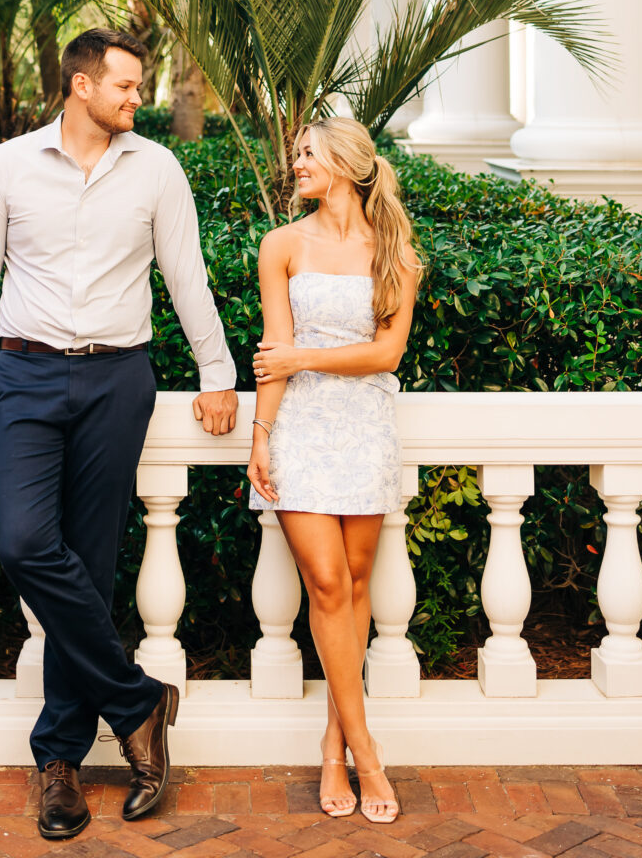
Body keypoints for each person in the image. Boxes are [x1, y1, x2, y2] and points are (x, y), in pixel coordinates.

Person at [0, 28, 238, 841]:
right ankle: (138, 703)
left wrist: (217, 373)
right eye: (126, 87)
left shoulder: (157, 170)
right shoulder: (9, 165)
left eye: (140, 87)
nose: (138, 99)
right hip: (25, 376)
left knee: (91, 568)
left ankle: (59, 763)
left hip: (117, 380)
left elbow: (186, 274)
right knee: (27, 545)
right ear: (80, 86)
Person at [247, 118, 419, 825]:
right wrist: (259, 437)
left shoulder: (395, 252)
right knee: (323, 581)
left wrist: (302, 360)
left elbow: (387, 354)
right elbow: (273, 348)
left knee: (352, 585)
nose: (296, 165)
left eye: (308, 154)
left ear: (346, 165)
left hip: (365, 425)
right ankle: (367, 752)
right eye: (297, 156)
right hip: (300, 429)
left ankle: (330, 743)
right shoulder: (281, 245)